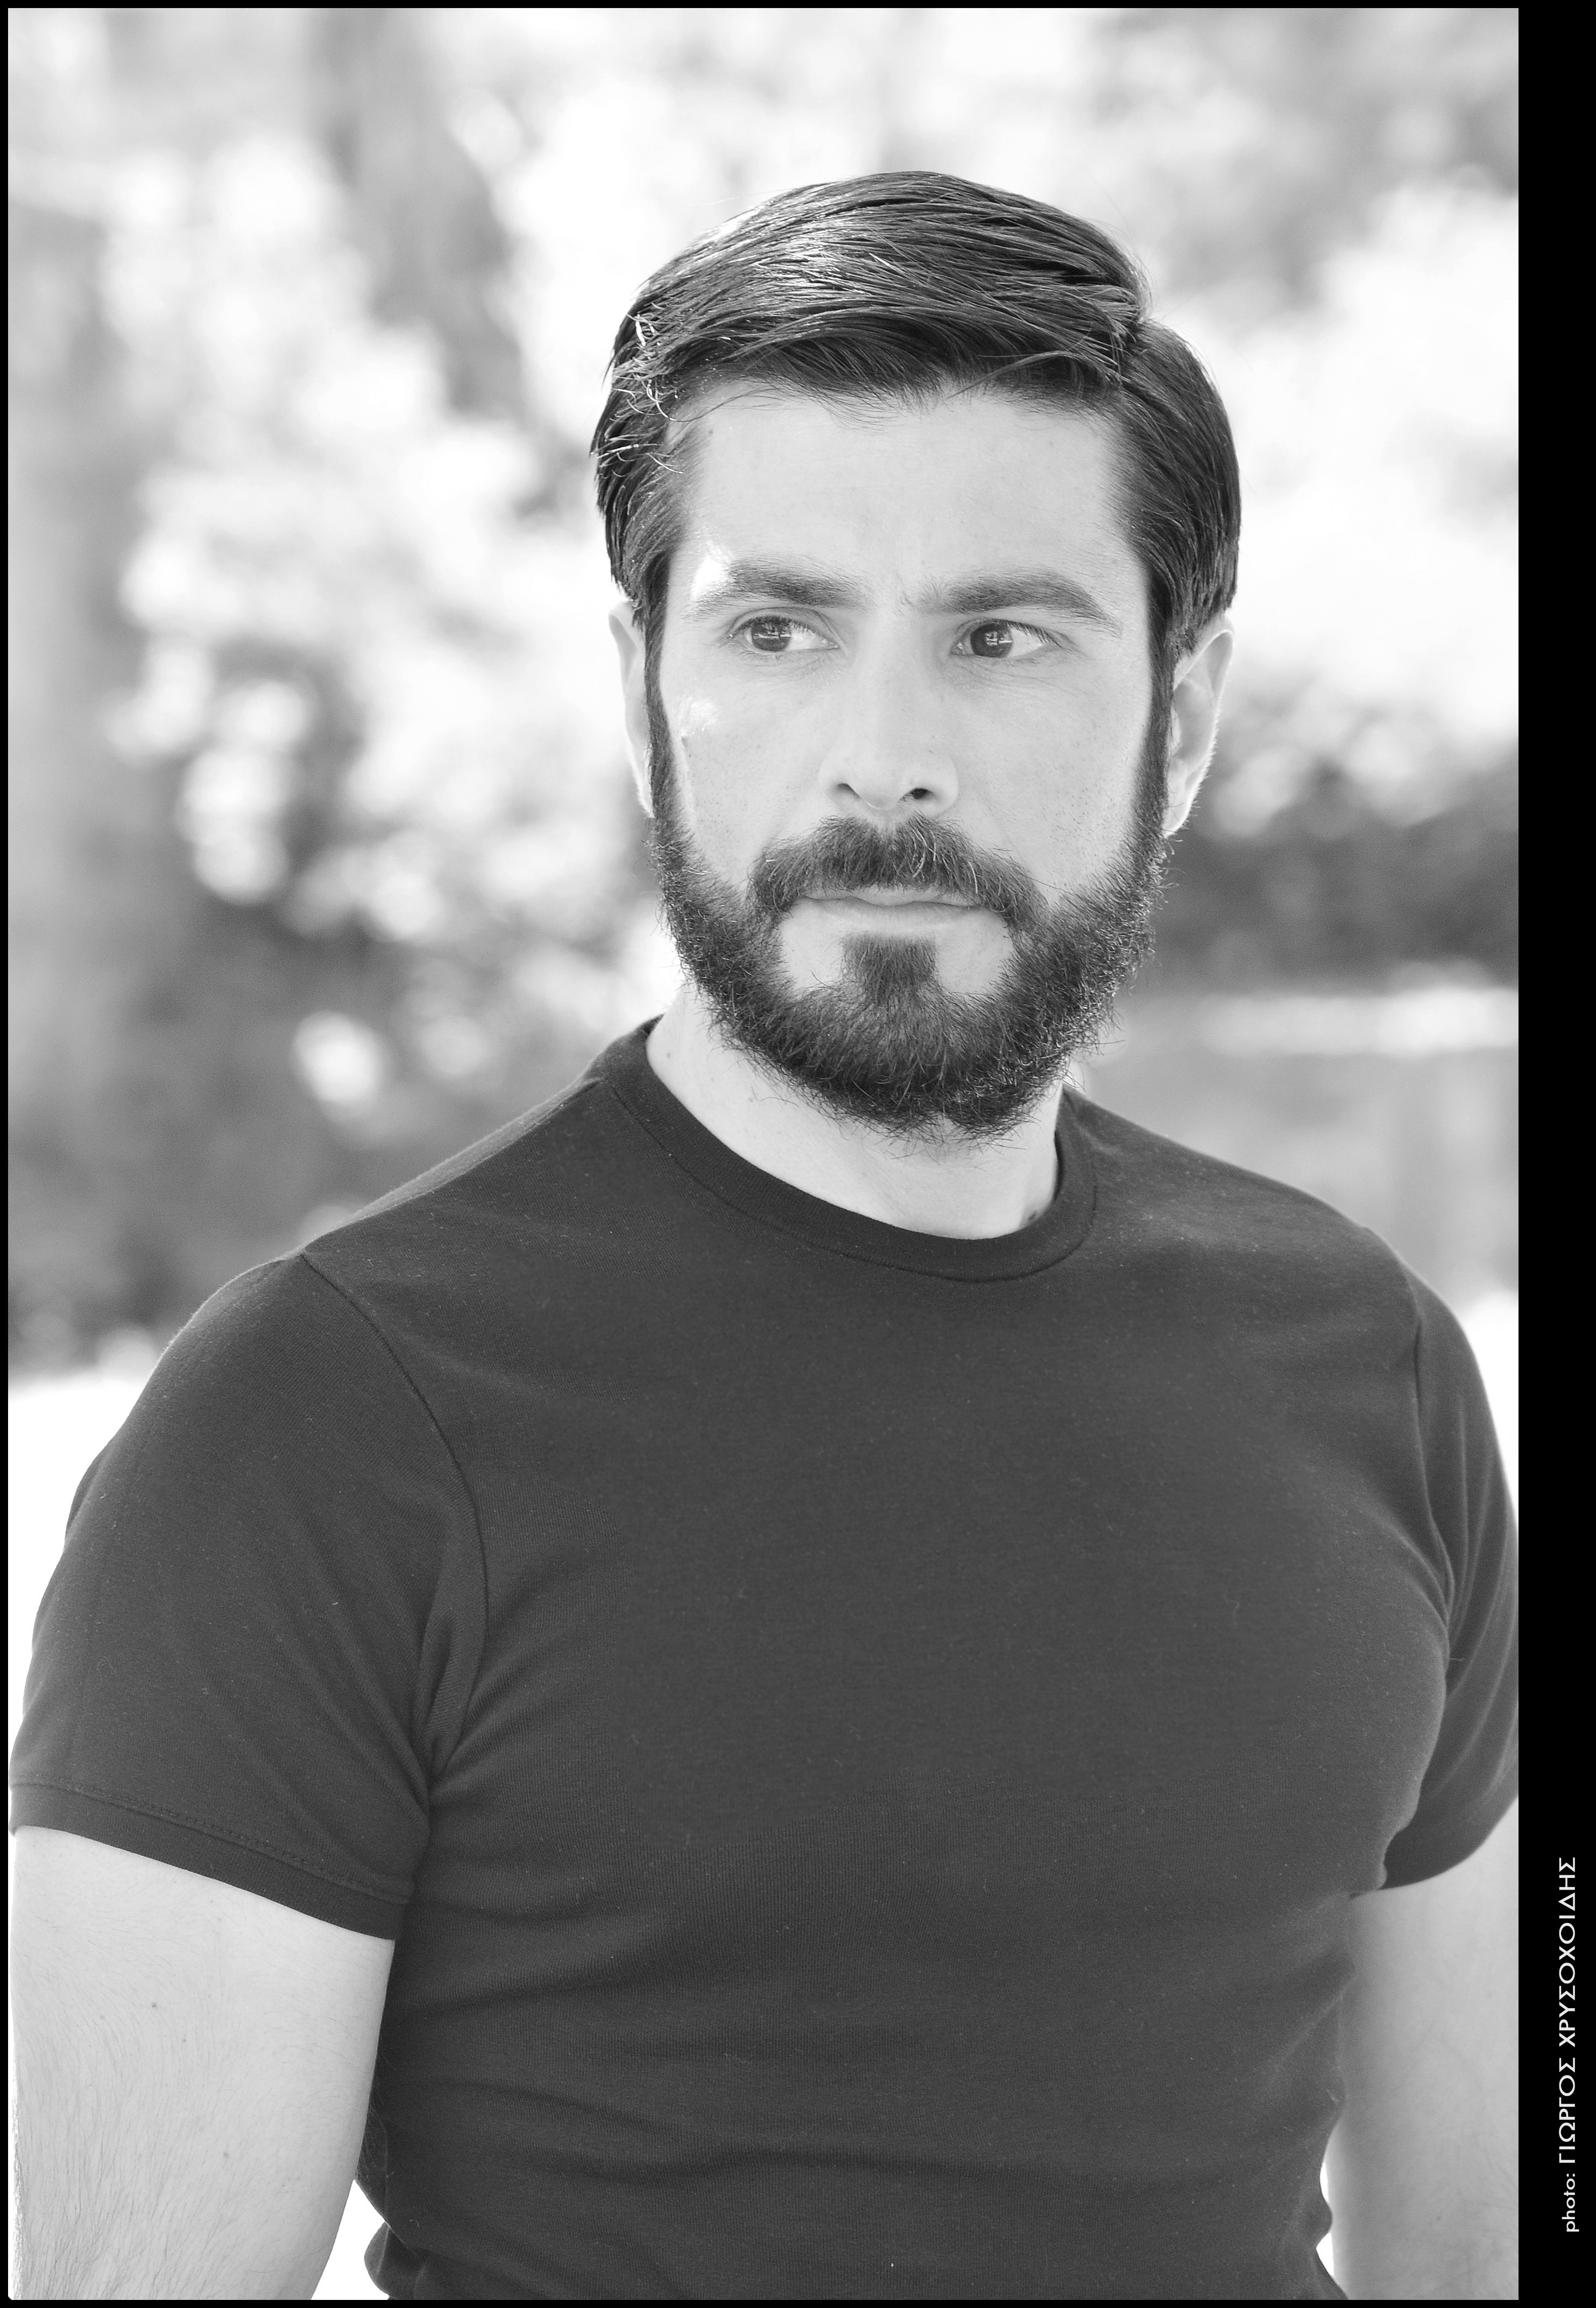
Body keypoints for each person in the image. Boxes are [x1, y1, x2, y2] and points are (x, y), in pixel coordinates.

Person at [9, 172, 1516, 2303]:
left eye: (1000, 636)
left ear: (1180, 719)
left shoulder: (1373, 1365)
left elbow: (1491, 2225)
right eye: (777, 629)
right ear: (644, 685)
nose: (885, 762)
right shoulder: (317, 1426)